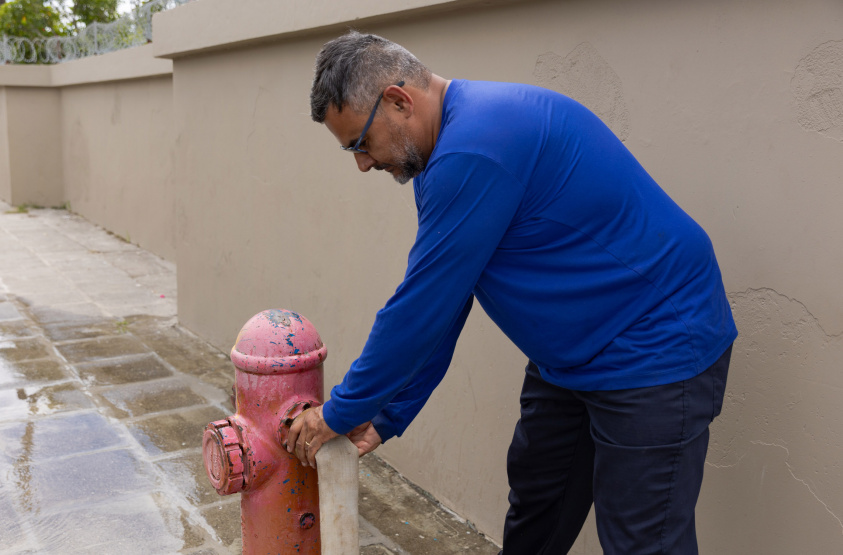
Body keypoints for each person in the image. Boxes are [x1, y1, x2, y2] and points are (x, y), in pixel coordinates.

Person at [287, 30, 737, 555]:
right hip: (572, 359)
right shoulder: (439, 154)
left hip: (654, 346)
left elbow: (419, 308)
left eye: (360, 144)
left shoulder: (475, 147)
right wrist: (386, 415)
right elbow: (446, 303)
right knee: (536, 516)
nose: (363, 163)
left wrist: (338, 412)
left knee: (644, 542)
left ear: (398, 100)